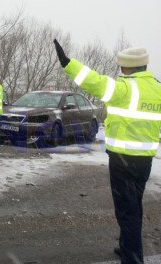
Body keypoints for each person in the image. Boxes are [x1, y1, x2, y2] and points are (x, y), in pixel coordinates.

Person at [53, 39, 161, 264]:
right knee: (134, 206)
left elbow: (94, 81)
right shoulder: (157, 89)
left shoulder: (125, 88)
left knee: (127, 211)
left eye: (122, 66)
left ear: (128, 68)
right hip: (145, 160)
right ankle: (127, 247)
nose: (121, 70)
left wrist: (67, 63)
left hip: (123, 160)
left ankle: (132, 258)